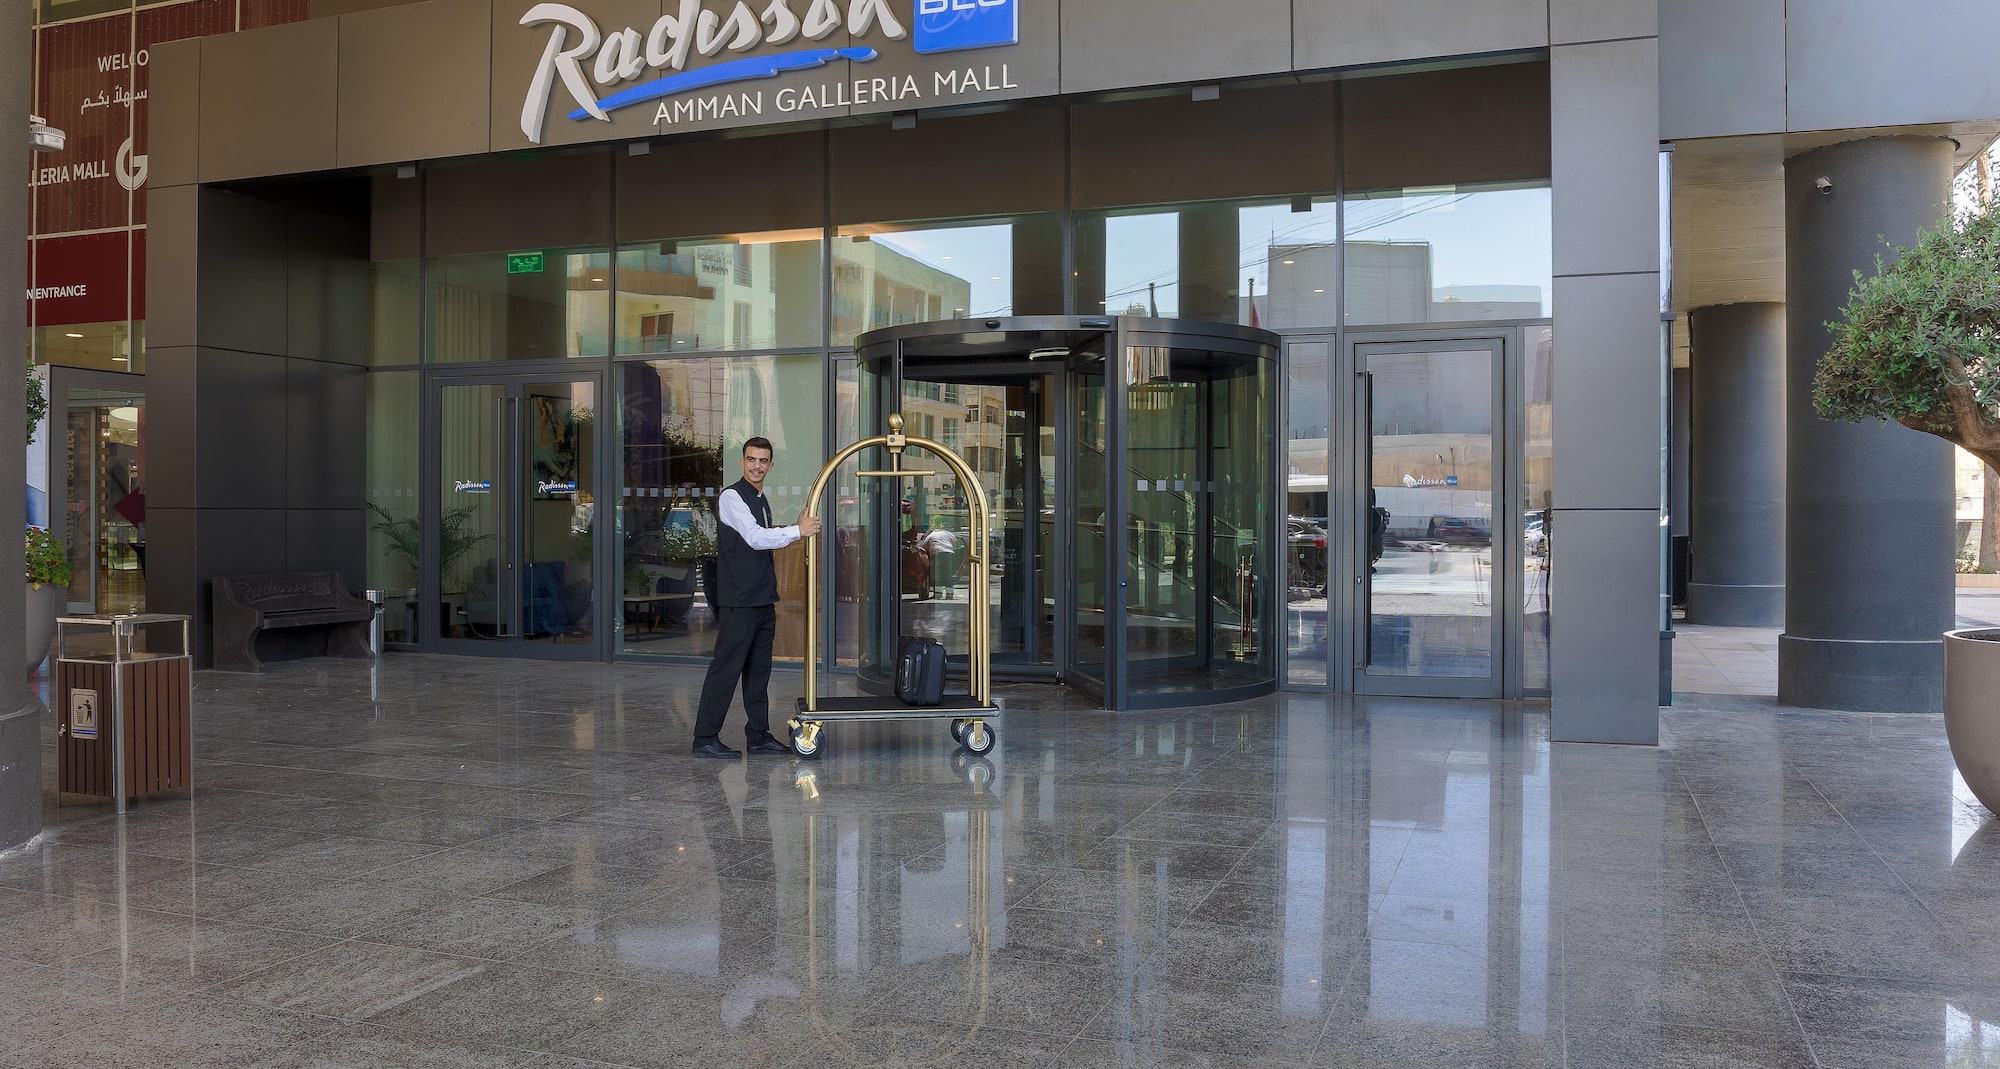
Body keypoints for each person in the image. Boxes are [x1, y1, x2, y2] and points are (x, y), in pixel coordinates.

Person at [691, 437, 821, 759]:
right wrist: (797, 531)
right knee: (726, 669)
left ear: (771, 465)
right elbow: (754, 538)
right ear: (742, 462)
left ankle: (759, 736)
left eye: (763, 461)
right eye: (752, 460)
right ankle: (705, 738)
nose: (757, 466)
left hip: (762, 600)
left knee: (758, 673)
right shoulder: (732, 497)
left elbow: (762, 539)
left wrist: (794, 527)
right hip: (740, 602)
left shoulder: (761, 499)